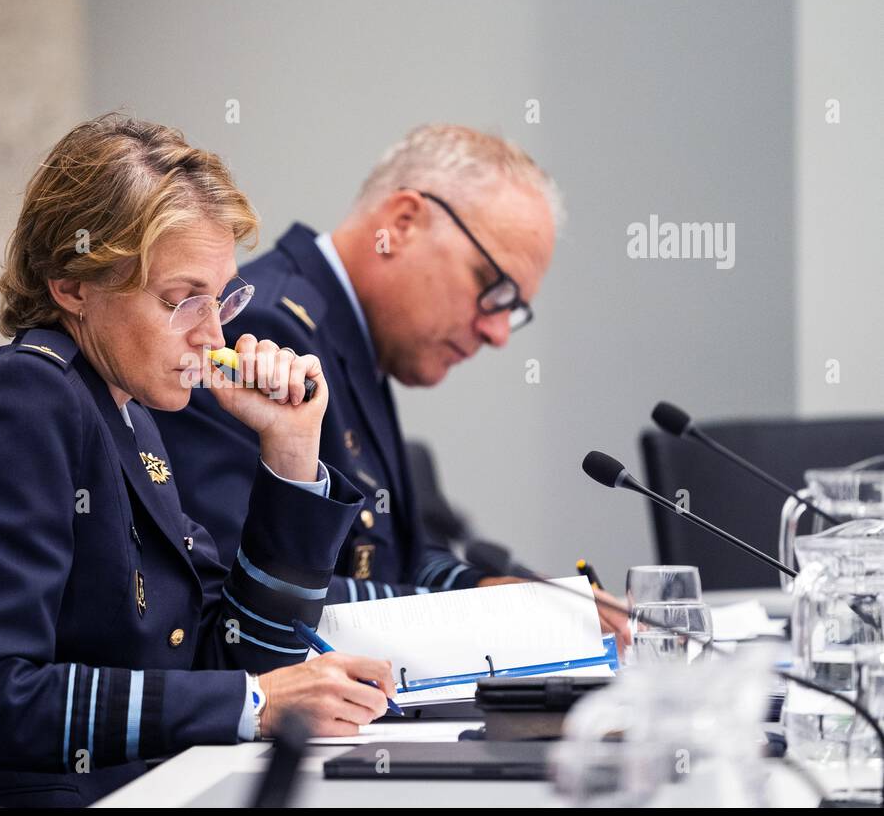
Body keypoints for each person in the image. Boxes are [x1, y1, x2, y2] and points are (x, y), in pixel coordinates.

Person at [0, 114, 398, 807]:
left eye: (222, 299)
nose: (215, 336)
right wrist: (247, 703)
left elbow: (227, 650)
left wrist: (291, 450)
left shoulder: (123, 411)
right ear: (71, 285)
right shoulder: (17, 405)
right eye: (182, 300)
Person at [153, 124, 629, 641]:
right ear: (402, 224)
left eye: (512, 311)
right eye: (493, 289)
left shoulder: (351, 332)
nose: (497, 333)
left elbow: (394, 558)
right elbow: (238, 591)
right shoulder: (266, 330)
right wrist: (484, 614)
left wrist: (491, 589)